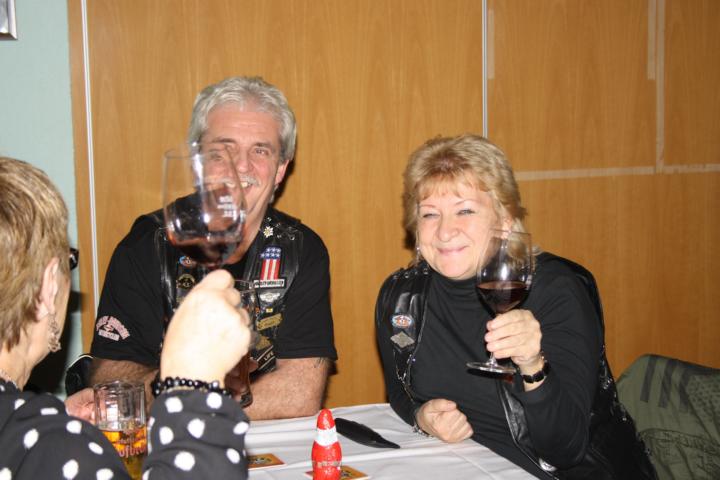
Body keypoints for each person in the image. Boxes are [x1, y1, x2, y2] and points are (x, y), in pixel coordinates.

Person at [375, 135, 657, 478]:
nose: (445, 231)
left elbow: (566, 449)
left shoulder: (555, 290)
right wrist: (422, 416)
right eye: (430, 214)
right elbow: (400, 392)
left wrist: (532, 364)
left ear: (505, 220)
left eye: (465, 210)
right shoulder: (402, 298)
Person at [88, 76, 337, 420]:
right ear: (197, 163)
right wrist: (195, 385)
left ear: (281, 169)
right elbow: (112, 384)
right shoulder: (147, 245)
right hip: (170, 443)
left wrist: (179, 398)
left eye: (260, 150)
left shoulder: (301, 250)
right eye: (223, 151)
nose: (241, 166)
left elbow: (299, 395)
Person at [0, 156, 252, 478]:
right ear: (49, 285)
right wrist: (192, 385)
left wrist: (60, 421)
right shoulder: (55, 448)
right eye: (69, 260)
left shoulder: (37, 439)